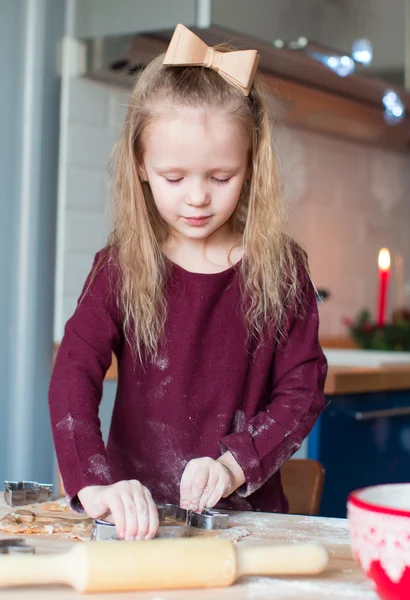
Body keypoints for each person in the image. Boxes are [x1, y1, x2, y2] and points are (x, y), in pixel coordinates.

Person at [49, 25, 327, 541]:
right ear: (141, 167)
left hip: (247, 524)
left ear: (251, 166)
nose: (197, 197)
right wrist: (94, 484)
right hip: (135, 523)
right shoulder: (121, 267)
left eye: (221, 177)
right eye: (175, 177)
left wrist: (232, 466)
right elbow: (72, 374)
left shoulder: (282, 269)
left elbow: (302, 390)